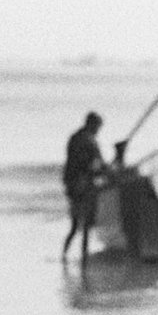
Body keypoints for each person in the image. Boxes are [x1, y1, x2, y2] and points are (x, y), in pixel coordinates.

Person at [61, 111, 106, 264]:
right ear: (93, 125)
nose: (98, 131)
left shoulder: (74, 138)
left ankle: (65, 255)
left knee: (74, 225)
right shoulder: (89, 141)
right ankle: (84, 259)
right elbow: (96, 164)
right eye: (98, 127)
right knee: (85, 225)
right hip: (83, 186)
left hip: (72, 185)